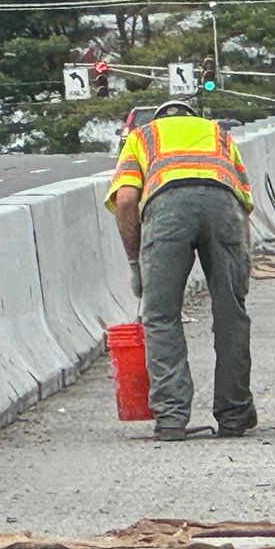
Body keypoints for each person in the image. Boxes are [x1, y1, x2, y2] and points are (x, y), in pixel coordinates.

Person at [104, 100, 257, 441]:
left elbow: (127, 199)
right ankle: (234, 416)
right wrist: (241, 263)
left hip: (168, 209)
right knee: (231, 313)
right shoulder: (219, 134)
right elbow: (243, 204)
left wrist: (135, 262)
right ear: (192, 118)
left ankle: (171, 419)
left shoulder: (143, 136)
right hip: (224, 207)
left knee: (161, 317)